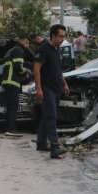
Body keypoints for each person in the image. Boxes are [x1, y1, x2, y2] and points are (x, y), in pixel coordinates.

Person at [34, 24, 70, 159]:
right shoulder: (44, 49)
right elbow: (36, 68)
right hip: (47, 88)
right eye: (60, 36)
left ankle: (41, 143)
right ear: (53, 36)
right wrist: (39, 89)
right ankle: (54, 147)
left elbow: (58, 70)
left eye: (63, 36)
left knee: (46, 116)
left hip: (57, 88)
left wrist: (64, 84)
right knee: (51, 116)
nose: (62, 39)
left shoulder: (56, 50)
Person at [2, 37, 31, 138]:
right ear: (22, 41)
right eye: (27, 43)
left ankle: (9, 127)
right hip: (12, 81)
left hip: (7, 81)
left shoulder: (11, 50)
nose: (28, 46)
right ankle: (11, 129)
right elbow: (19, 67)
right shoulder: (19, 50)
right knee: (13, 106)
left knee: (10, 106)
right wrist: (27, 72)